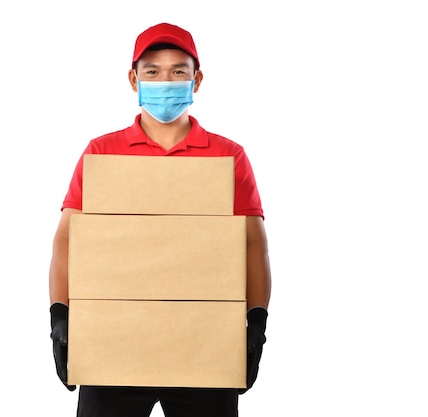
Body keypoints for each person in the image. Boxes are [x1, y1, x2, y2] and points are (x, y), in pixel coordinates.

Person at [48, 22, 272, 417]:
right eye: (152, 72)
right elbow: (68, 239)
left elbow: (253, 244)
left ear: (196, 80)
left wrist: (257, 322)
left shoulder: (227, 156)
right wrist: (60, 315)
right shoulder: (102, 153)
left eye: (178, 71)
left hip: (203, 343)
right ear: (133, 79)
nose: (164, 81)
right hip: (114, 343)